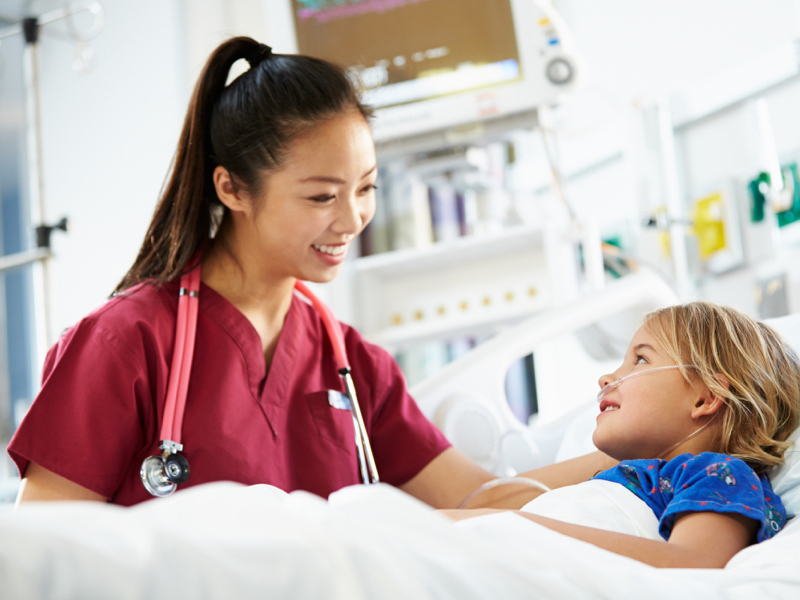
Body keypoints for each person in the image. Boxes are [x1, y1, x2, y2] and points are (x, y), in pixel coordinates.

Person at [8, 36, 612, 508]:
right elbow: (46, 552)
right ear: (232, 188)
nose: (352, 219)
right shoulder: (125, 342)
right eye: (322, 197)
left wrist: (646, 464)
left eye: (367, 188)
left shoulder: (353, 367)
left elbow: (478, 500)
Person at [444, 302, 800, 568]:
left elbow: (691, 567)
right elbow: (484, 506)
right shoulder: (636, 477)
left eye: (640, 360)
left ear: (706, 398)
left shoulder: (719, 475)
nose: (607, 378)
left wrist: (514, 528)